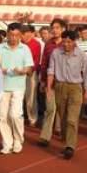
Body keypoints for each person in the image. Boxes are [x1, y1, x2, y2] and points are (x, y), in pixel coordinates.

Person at [47, 30, 87, 160]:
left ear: (74, 42)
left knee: (72, 118)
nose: (66, 44)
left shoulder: (81, 55)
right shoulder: (56, 53)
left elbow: (86, 73)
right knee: (63, 116)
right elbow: (51, 71)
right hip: (60, 87)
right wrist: (49, 88)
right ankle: (66, 138)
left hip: (76, 88)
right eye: (64, 41)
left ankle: (70, 146)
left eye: (69, 42)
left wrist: (86, 91)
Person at [0, 23, 34, 155]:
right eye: (11, 35)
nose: (13, 38)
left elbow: (29, 68)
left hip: (18, 86)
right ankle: (7, 143)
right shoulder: (0, 48)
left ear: (20, 36)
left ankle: (18, 140)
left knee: (15, 115)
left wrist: (23, 70)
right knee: (3, 116)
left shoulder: (25, 49)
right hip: (2, 86)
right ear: (7, 34)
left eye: (16, 35)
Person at [37, 19, 66, 148]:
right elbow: (44, 64)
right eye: (53, 28)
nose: (54, 30)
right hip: (50, 81)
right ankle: (45, 137)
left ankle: (65, 134)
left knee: (64, 110)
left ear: (63, 29)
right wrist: (43, 81)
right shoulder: (48, 44)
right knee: (50, 109)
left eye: (57, 28)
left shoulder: (68, 43)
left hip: (65, 82)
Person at [21, 25, 42, 127]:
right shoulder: (20, 43)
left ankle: (32, 118)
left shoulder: (36, 44)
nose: (22, 36)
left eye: (23, 34)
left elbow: (36, 60)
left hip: (31, 73)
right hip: (19, 72)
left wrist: (31, 70)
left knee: (31, 97)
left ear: (29, 33)